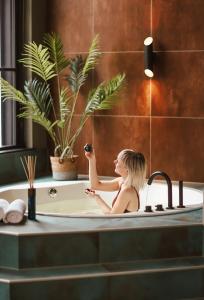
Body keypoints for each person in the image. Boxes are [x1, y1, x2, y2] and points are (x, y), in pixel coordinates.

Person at [84, 147, 146, 214]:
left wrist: (97, 198)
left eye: (118, 161)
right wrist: (92, 160)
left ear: (127, 168)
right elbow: (95, 185)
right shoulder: (122, 181)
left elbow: (112, 219)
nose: (114, 161)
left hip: (122, 224)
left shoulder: (127, 190)